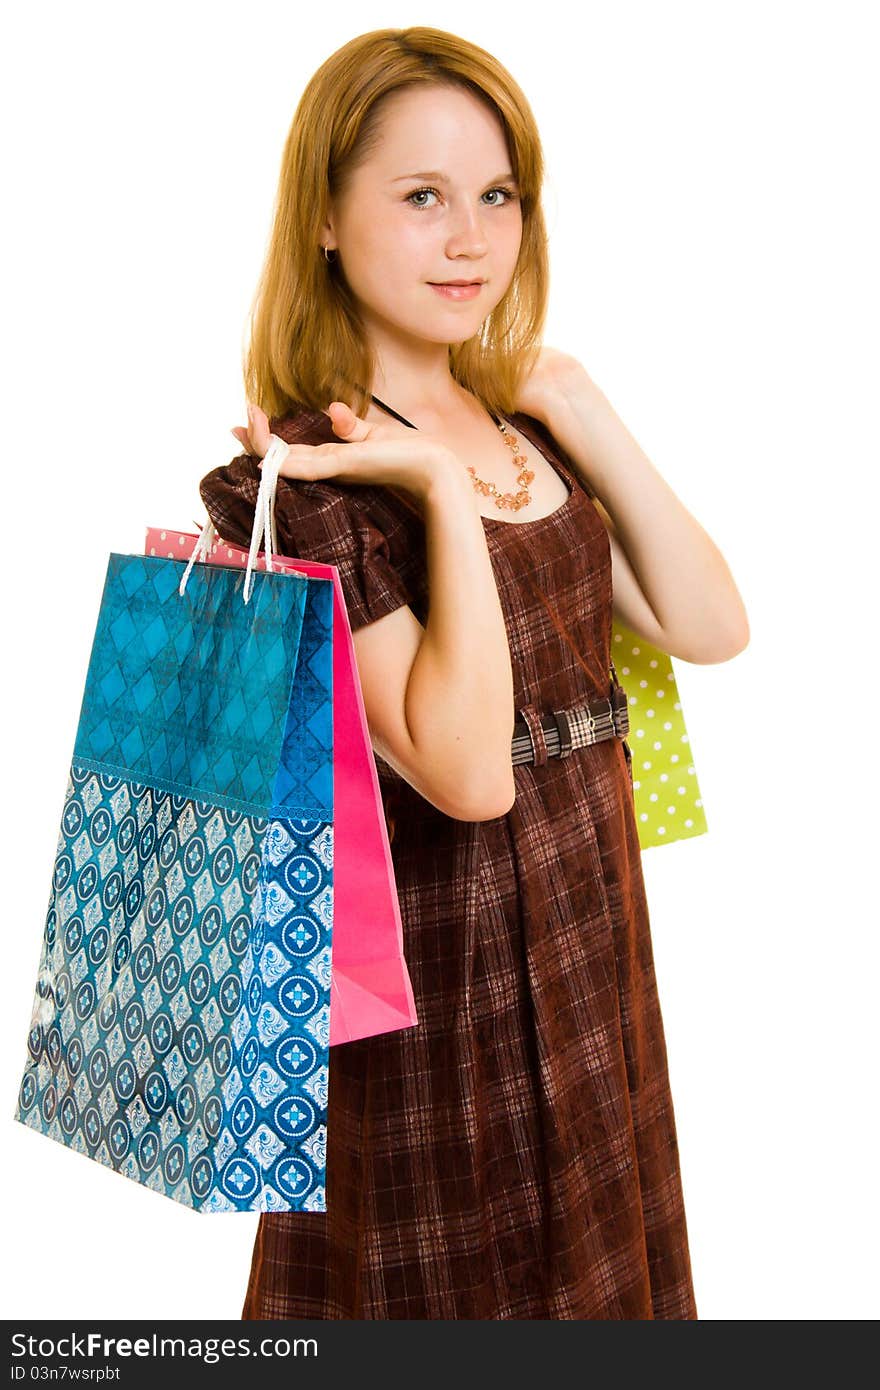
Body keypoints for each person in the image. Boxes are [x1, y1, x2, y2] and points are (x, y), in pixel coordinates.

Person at [199, 26, 748, 1320]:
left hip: (585, 906)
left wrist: (579, 404)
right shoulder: (297, 477)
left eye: (497, 195)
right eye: (422, 196)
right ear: (327, 217)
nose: (471, 239)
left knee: (601, 1262)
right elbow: (461, 777)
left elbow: (709, 623)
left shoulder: (519, 422)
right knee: (456, 1280)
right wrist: (437, 489)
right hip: (436, 956)